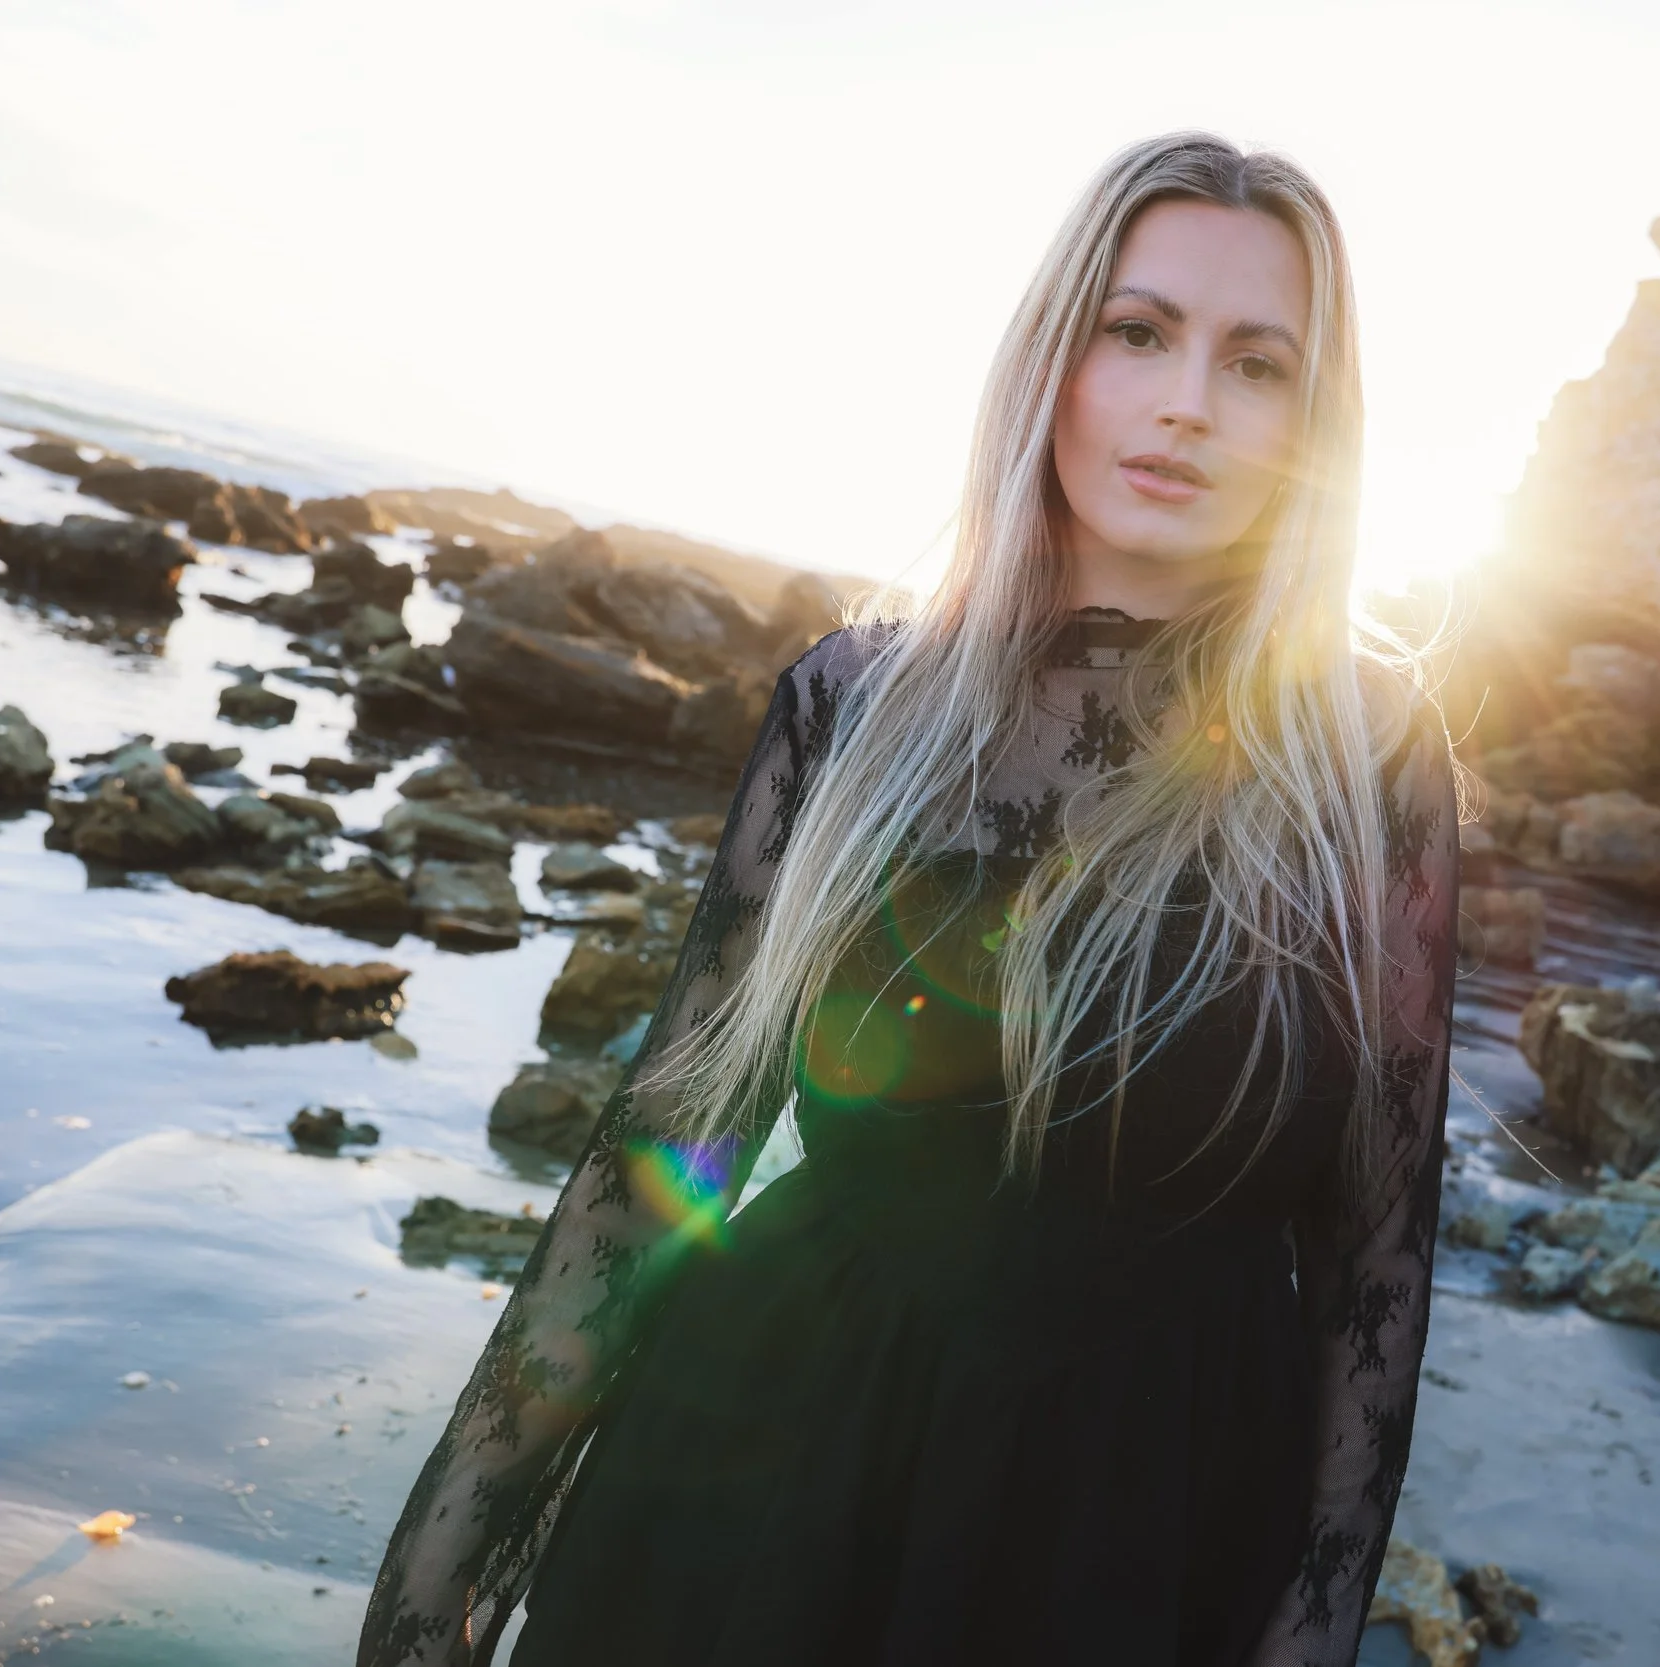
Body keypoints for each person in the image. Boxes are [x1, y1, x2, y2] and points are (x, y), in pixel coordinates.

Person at [359, 129, 1466, 1667]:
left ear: (1312, 424)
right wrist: (451, 1542)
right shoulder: (857, 707)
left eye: (1257, 363)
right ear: (1053, 358)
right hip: (756, 1491)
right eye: (1135, 332)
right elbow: (676, 1136)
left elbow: (1377, 1250)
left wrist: (1319, 1614)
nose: (1187, 402)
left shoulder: (1368, 762)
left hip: (1137, 1544)